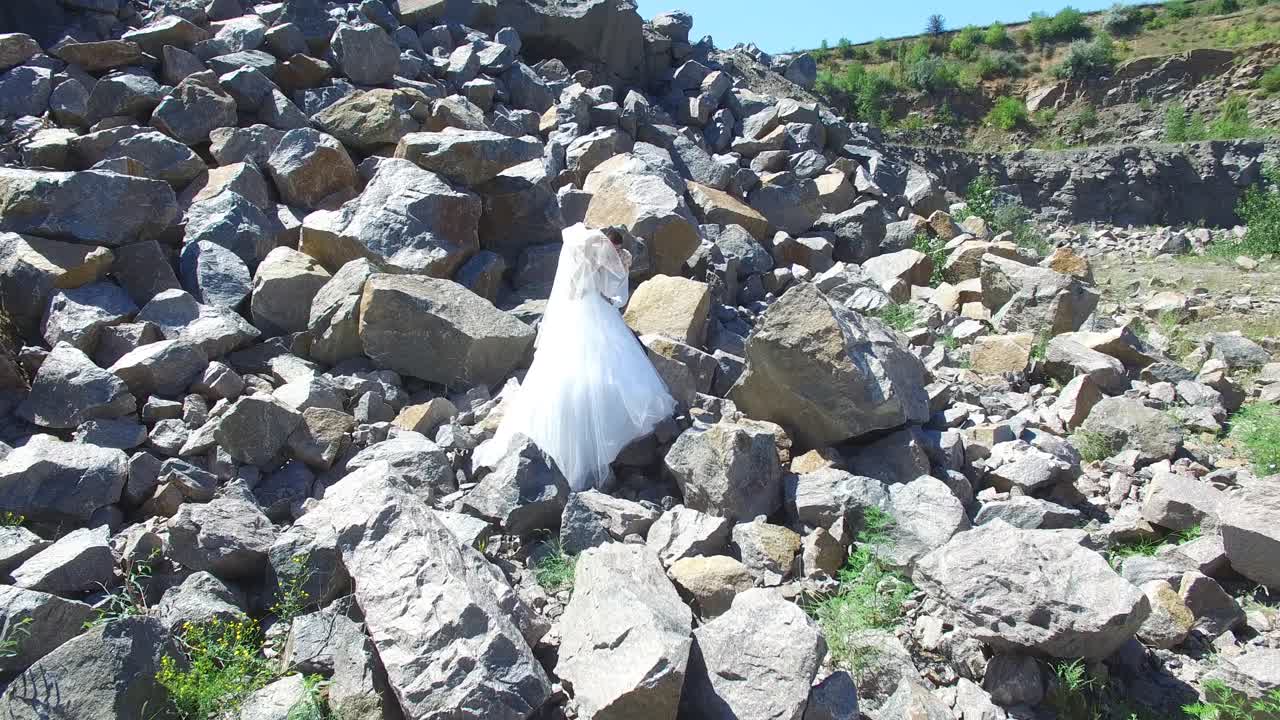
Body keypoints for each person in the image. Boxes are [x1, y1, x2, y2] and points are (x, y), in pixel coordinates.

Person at [494, 223, 676, 492]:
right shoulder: (589, 257)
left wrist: (617, 266)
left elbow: (606, 292)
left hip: (587, 312)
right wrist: (618, 265)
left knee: (598, 365)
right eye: (612, 248)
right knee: (588, 365)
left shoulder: (583, 256)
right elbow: (608, 293)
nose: (613, 253)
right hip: (588, 315)